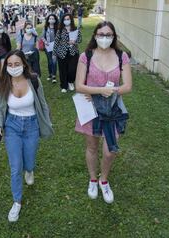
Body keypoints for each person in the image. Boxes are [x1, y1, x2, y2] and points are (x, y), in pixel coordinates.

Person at [75, 21, 132, 204]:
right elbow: (79, 85)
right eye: (101, 34)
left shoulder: (122, 56)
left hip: (113, 110)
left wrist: (111, 92)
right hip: (90, 110)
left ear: (114, 37)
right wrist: (100, 91)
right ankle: (93, 179)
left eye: (108, 35)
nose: (104, 38)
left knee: (109, 151)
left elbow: (128, 86)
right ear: (95, 36)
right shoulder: (86, 56)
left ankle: (104, 180)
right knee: (92, 147)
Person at [0, 50, 53, 222]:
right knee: (15, 166)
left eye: (17, 64)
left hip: (32, 125)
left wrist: (46, 121)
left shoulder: (33, 80)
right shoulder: (3, 83)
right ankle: (17, 202)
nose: (13, 68)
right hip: (12, 125)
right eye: (10, 65)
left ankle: (30, 170)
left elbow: (42, 103)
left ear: (24, 64)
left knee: (29, 160)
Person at [53, 13, 81, 93]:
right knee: (63, 70)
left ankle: (70, 82)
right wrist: (54, 53)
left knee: (72, 69)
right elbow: (56, 42)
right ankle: (64, 86)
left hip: (73, 52)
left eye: (68, 19)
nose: (66, 21)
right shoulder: (60, 30)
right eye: (65, 19)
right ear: (63, 20)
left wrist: (74, 42)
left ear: (71, 20)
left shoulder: (76, 29)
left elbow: (80, 40)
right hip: (62, 52)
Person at [42, 14, 59, 83]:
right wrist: (45, 42)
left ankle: (54, 76)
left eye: (53, 18)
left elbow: (59, 37)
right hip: (48, 47)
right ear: (48, 20)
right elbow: (42, 37)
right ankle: (50, 74)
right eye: (50, 18)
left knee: (54, 61)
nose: (51, 20)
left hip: (55, 47)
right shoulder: (46, 27)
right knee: (50, 62)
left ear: (55, 20)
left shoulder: (57, 28)